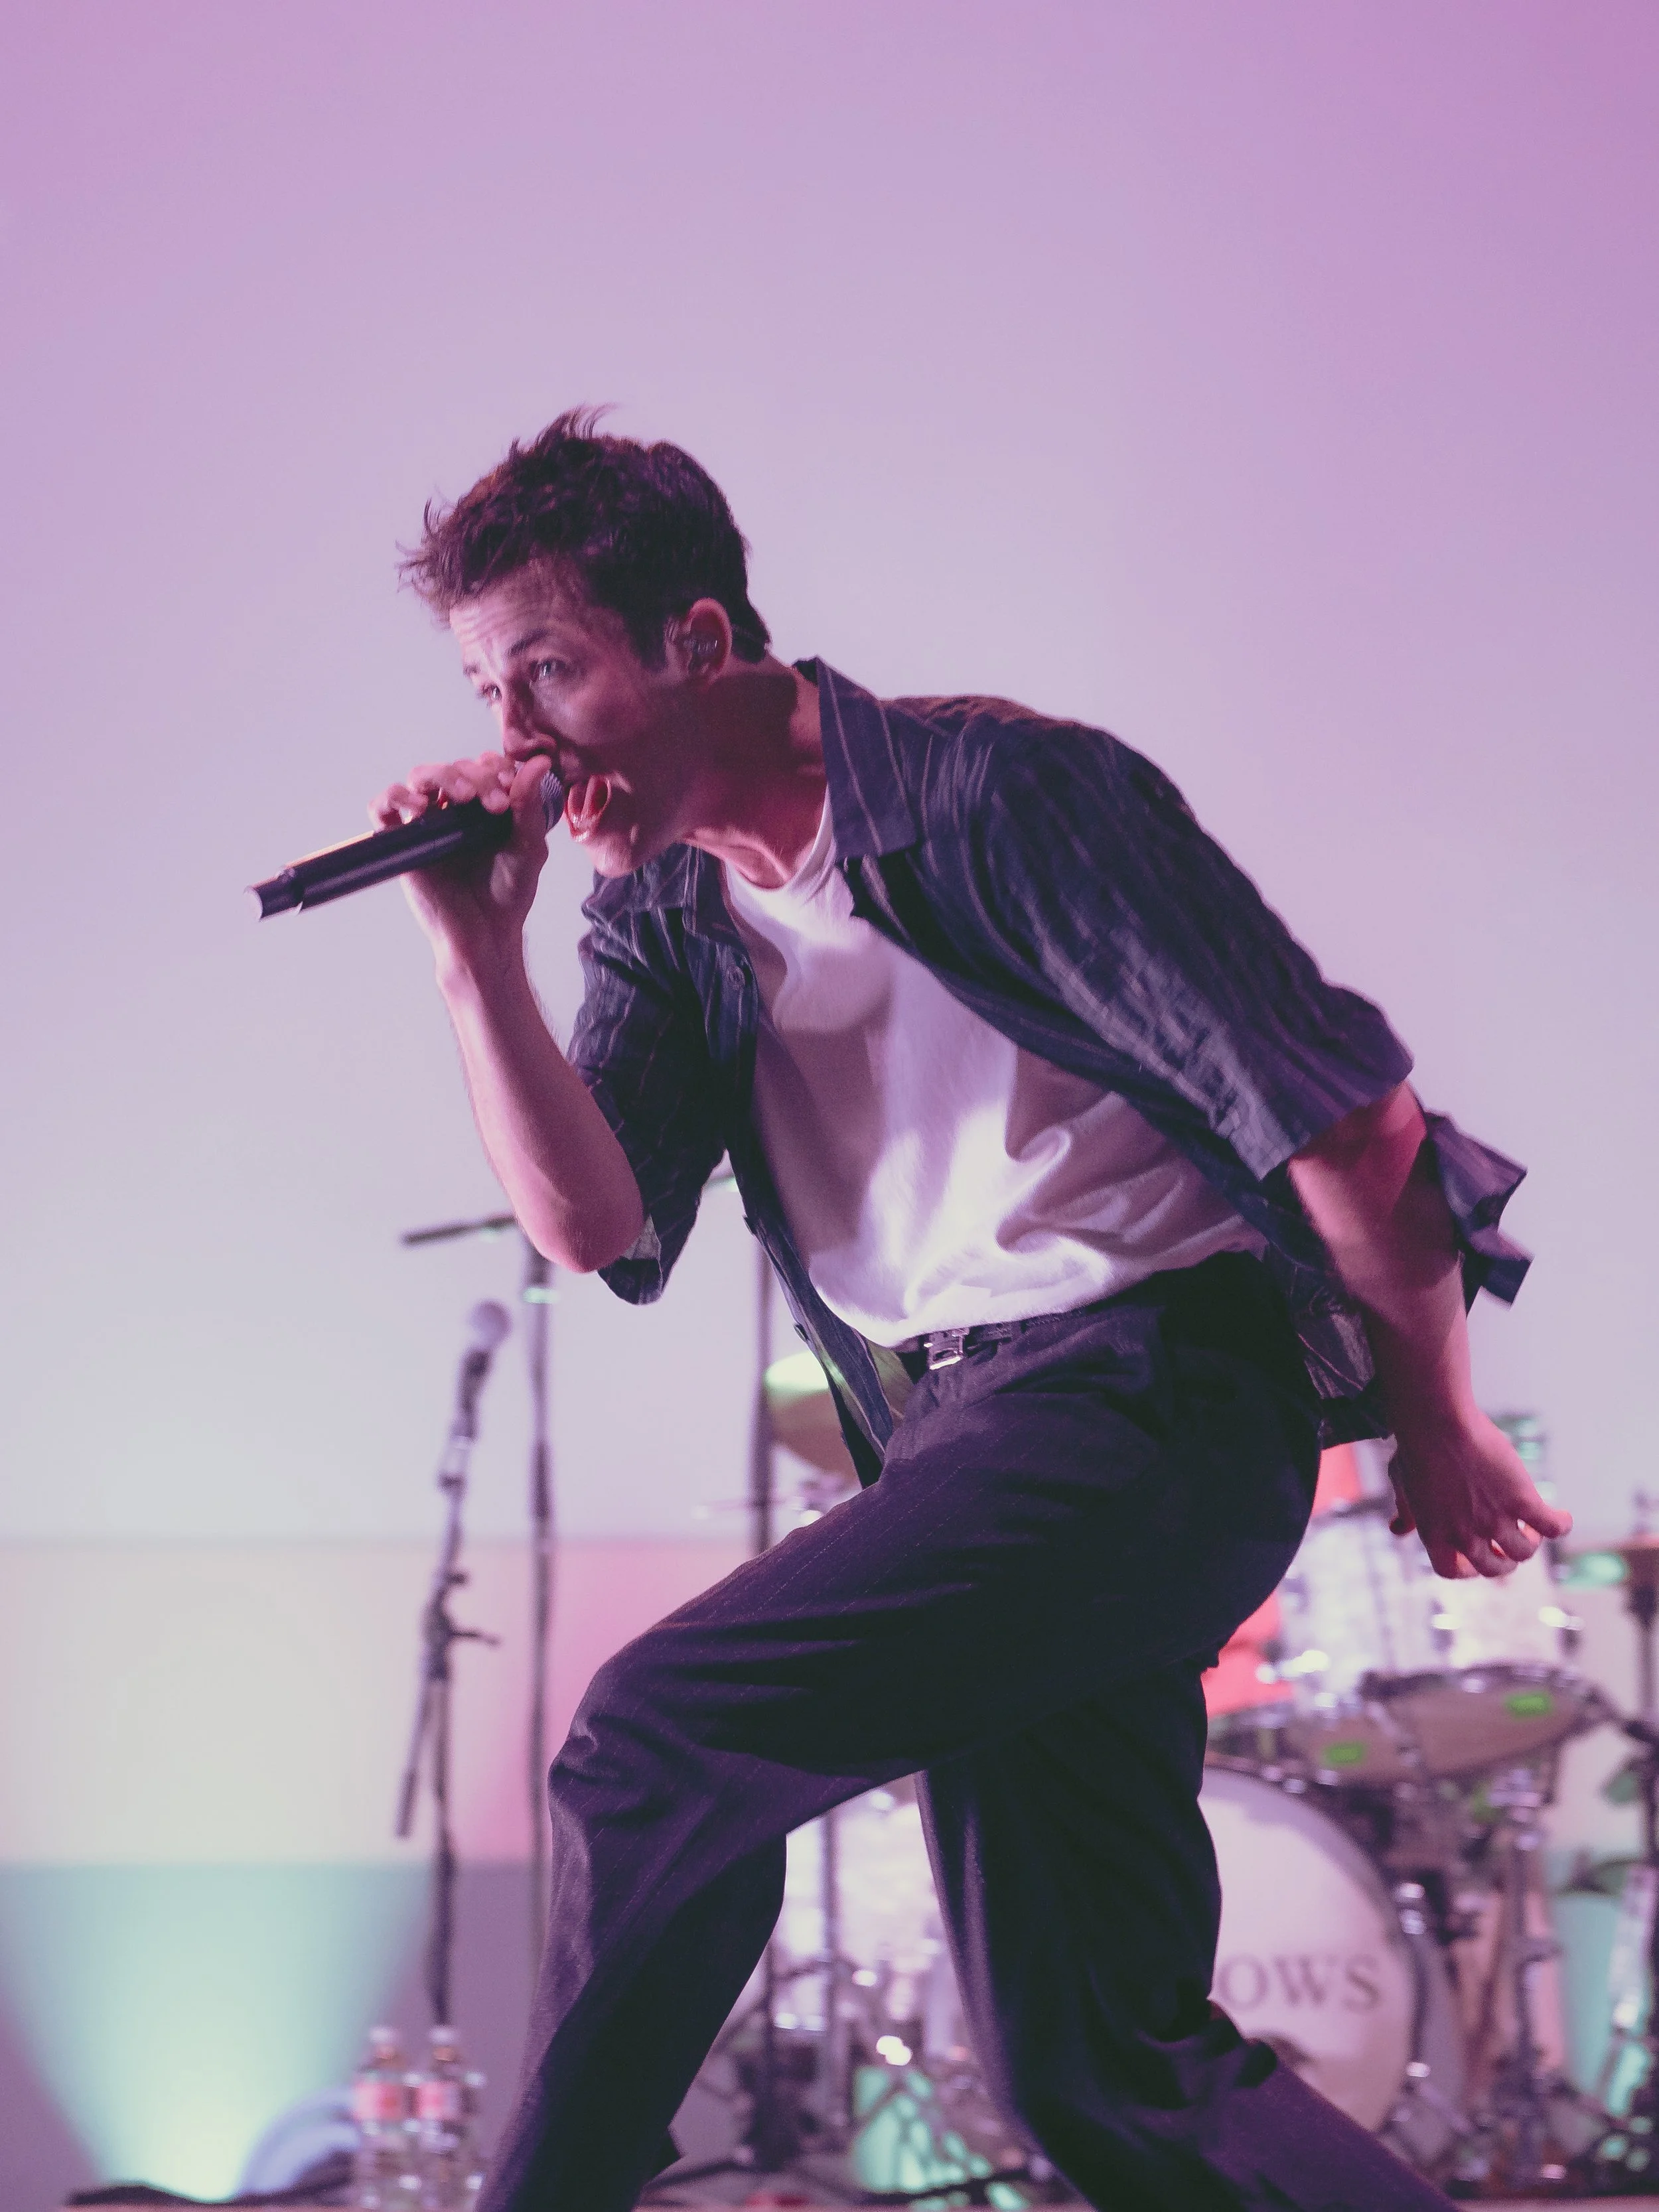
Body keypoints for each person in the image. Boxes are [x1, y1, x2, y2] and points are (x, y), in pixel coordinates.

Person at [374, 409, 1566, 2212]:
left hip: (1152, 1399)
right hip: (975, 1441)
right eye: (486, 684)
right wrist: (477, 953)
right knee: (1104, 2063)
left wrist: (1438, 1418)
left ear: (696, 641)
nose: (514, 734)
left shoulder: (998, 796)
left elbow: (1345, 1112)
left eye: (547, 667)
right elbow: (594, 1222)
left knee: (653, 1731)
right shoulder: (668, 911)